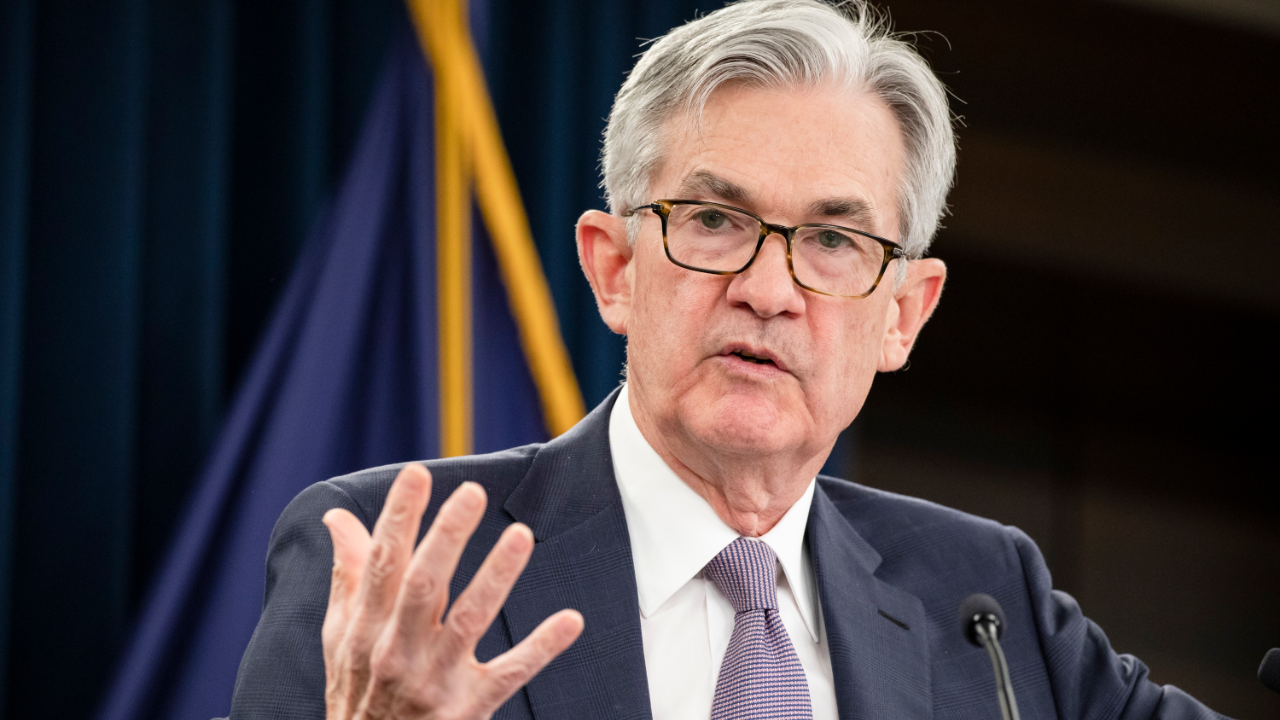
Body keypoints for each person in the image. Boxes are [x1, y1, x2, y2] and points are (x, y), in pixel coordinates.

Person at [230, 0, 1225, 718]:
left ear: (902, 316)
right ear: (613, 268)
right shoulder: (390, 566)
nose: (769, 288)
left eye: (835, 241)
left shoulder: (985, 605)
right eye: (712, 220)